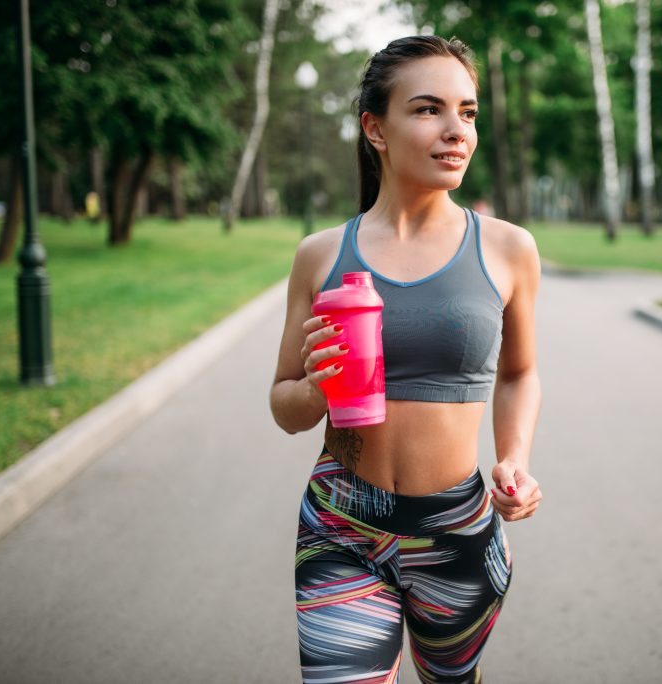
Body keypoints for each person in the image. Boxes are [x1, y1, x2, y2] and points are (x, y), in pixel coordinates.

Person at [269, 35, 542, 683]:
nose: (456, 131)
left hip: (457, 534)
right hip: (342, 524)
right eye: (428, 110)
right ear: (376, 128)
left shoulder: (507, 249)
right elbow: (284, 404)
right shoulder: (321, 254)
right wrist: (316, 390)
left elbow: (520, 371)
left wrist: (515, 459)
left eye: (468, 113)